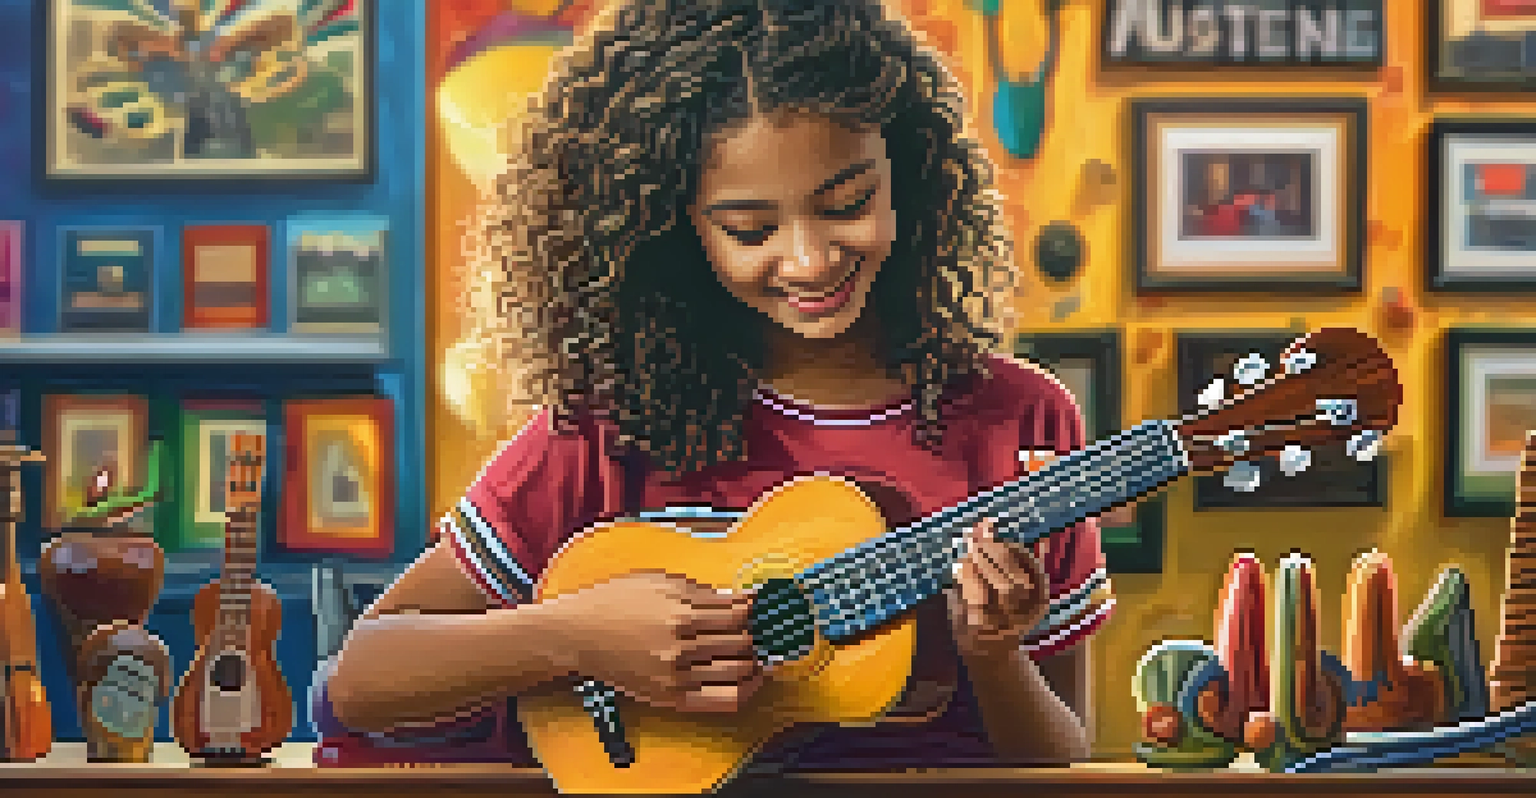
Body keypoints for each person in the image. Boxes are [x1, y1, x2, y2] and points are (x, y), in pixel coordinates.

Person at [315, 0, 1117, 773]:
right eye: (750, 229)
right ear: (674, 227)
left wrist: (992, 652)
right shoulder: (611, 429)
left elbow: (1061, 753)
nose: (809, 260)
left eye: (848, 204)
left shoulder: (1025, 422)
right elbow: (362, 680)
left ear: (906, 170)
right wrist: (573, 636)